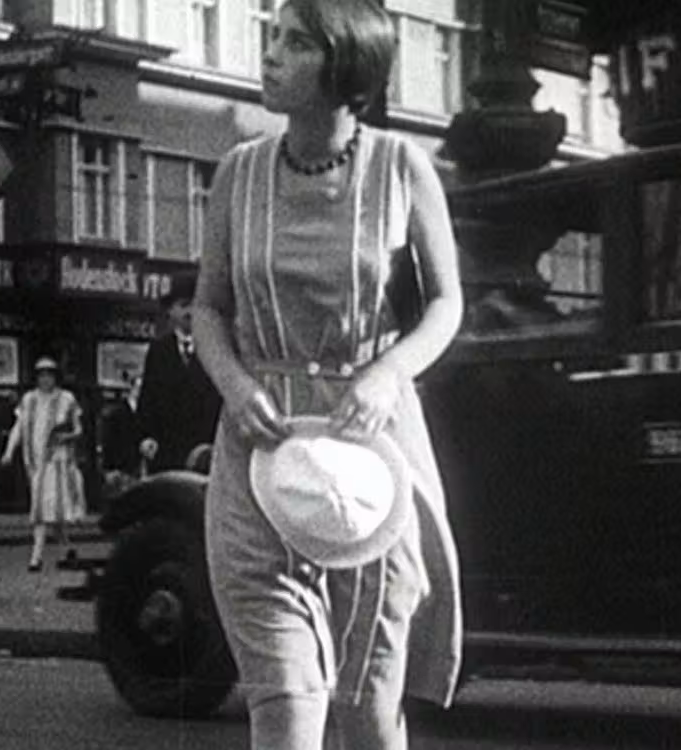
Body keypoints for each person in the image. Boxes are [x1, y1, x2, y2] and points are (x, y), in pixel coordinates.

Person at [190, 1, 465, 747]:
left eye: (296, 43)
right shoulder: (237, 173)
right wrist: (236, 385)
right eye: (274, 37)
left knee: (368, 707)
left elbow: (447, 303)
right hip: (259, 455)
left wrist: (389, 373)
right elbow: (208, 309)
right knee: (285, 698)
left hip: (370, 460)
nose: (270, 54)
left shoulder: (403, 168)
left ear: (346, 66)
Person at [0, 357, 86, 571]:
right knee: (46, 509)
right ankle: (64, 550)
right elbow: (19, 427)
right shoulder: (28, 400)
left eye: (49, 375)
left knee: (48, 509)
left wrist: (66, 437)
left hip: (58, 461)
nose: (45, 379)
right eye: (41, 375)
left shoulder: (66, 399)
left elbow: (78, 429)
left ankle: (37, 557)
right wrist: (9, 452)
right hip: (35, 461)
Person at [138, 274, 222, 473]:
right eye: (184, 305)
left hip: (203, 452)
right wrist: (146, 436)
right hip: (166, 450)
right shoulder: (159, 350)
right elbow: (148, 397)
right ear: (170, 311)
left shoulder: (214, 349)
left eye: (195, 305)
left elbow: (220, 400)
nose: (190, 312)